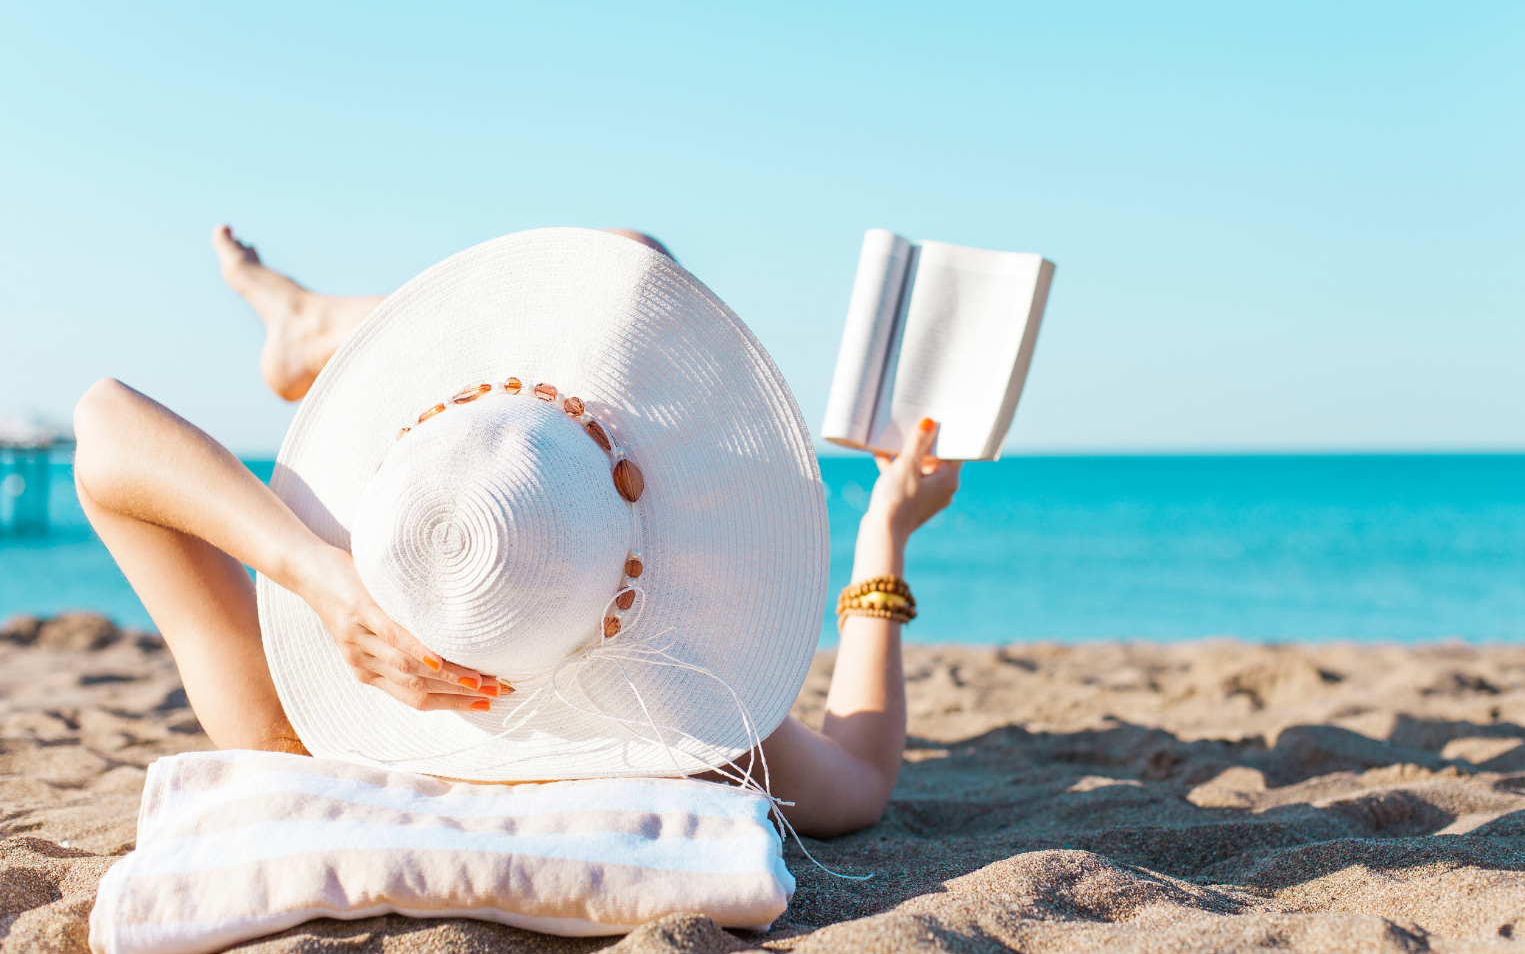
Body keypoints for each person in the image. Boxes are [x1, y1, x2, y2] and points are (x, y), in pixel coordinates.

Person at [73, 226, 960, 840]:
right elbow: (862, 773)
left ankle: (319, 330)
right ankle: (325, 330)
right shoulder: (690, 742)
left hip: (354, 601)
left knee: (623, 263)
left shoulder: (291, 734)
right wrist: (886, 529)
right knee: (631, 259)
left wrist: (315, 575)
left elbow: (104, 425)